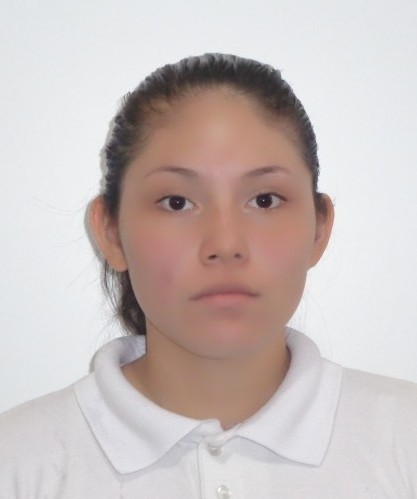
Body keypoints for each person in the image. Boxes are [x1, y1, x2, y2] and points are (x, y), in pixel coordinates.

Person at [0, 53, 416, 498]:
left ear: (319, 229)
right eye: (177, 202)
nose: (225, 243)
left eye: (265, 200)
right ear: (111, 233)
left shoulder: (403, 439)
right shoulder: (18, 463)